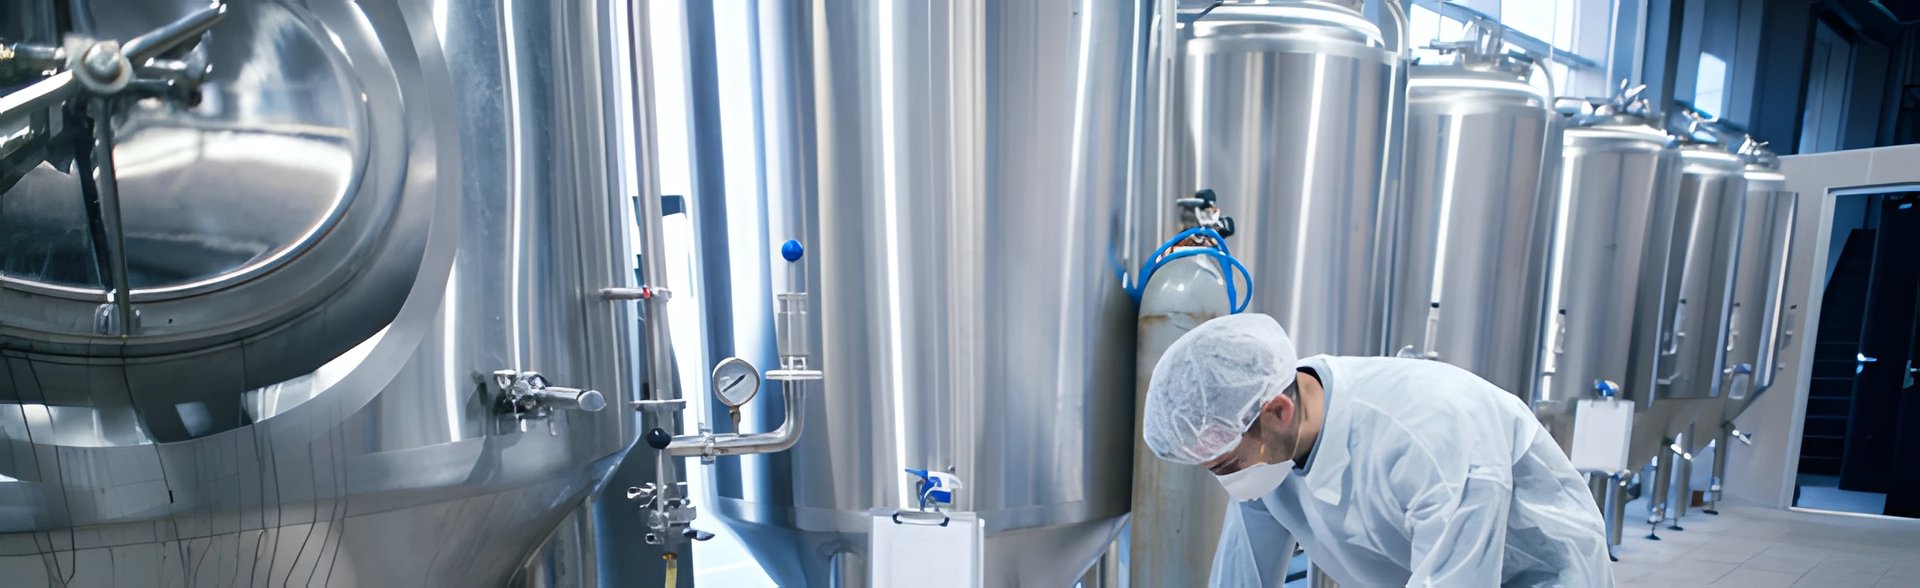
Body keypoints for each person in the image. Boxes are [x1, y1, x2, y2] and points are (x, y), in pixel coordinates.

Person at [1142, 313, 1613, 587]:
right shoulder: (1263, 439)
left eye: (1228, 465)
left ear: (1279, 411)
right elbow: (1241, 574)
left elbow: (1459, 578)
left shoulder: (1426, 433)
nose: (1229, 480)